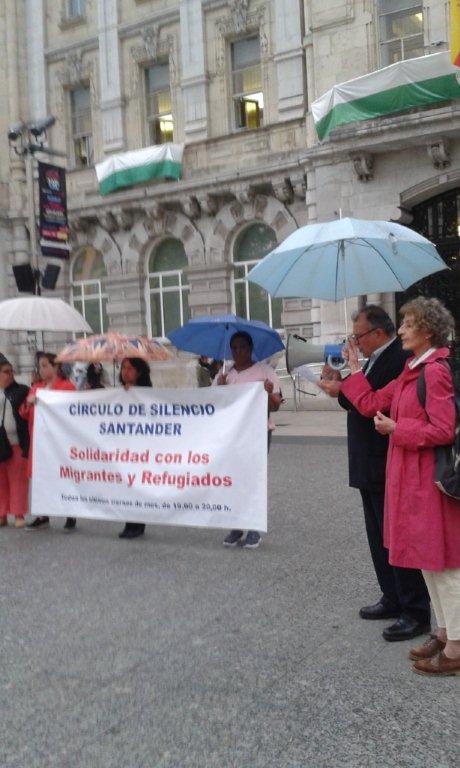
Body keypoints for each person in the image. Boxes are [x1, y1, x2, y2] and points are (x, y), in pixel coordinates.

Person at [323, 297, 460, 676]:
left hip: (428, 476)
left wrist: (399, 430)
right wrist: (352, 371)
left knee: (444, 563)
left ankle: (457, 646)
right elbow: (369, 405)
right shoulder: (411, 370)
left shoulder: (434, 371)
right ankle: (445, 632)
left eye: (408, 324)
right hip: (409, 476)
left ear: (427, 330)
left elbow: (443, 429)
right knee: (427, 560)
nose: (400, 330)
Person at [321, 305, 430, 642]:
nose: (355, 341)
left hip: (385, 460)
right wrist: (340, 385)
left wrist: (351, 378)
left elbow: (373, 404)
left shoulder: (397, 358)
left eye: (359, 335)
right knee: (378, 536)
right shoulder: (374, 358)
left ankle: (415, 610)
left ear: (377, 334)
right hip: (367, 460)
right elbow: (359, 399)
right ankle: (392, 596)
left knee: (397, 537)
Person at [214, 331, 281, 549]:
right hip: (233, 436)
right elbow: (214, 406)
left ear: (250, 348)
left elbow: (275, 406)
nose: (239, 351)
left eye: (243, 347)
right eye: (234, 348)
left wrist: (269, 393)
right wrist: (221, 390)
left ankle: (254, 528)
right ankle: (236, 525)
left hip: (258, 432)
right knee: (234, 479)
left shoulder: (264, 371)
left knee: (253, 479)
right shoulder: (224, 376)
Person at [19, 352, 76, 532]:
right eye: (40, 366)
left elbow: (72, 411)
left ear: (56, 367)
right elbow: (23, 413)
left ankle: (70, 512)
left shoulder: (66, 387)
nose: (42, 370)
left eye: (45, 365)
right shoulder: (36, 388)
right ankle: (43, 514)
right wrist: (28, 403)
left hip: (58, 441)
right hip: (38, 441)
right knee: (40, 477)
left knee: (62, 474)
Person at [118, 357, 152, 540]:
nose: (125, 372)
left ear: (139, 372)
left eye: (130, 368)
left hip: (141, 448)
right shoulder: (118, 394)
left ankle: (138, 524)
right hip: (124, 448)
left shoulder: (147, 393)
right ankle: (129, 521)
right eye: (123, 368)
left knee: (137, 485)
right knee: (126, 485)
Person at [0, 358, 30, 528]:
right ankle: (2, 513)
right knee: (1, 482)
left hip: (16, 442)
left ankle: (18, 514)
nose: (10, 375)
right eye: (5, 372)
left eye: (11, 371)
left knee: (17, 480)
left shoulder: (20, 391)